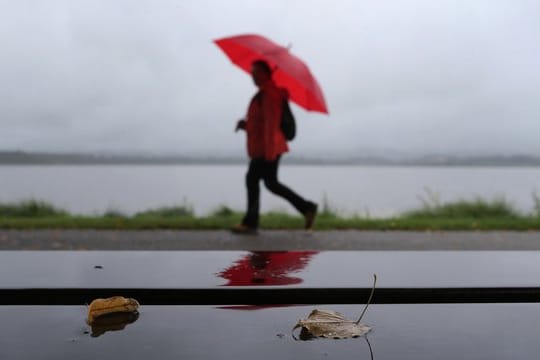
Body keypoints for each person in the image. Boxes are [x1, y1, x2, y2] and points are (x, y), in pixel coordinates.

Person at [232, 59, 318, 234]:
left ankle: (251, 222)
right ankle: (307, 207)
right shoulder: (263, 93)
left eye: (256, 73)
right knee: (271, 183)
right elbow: (260, 123)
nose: (252, 76)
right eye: (251, 72)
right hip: (266, 146)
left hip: (268, 147)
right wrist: (246, 126)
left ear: (265, 73)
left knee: (253, 179)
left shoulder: (270, 94)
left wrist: (270, 152)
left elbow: (271, 124)